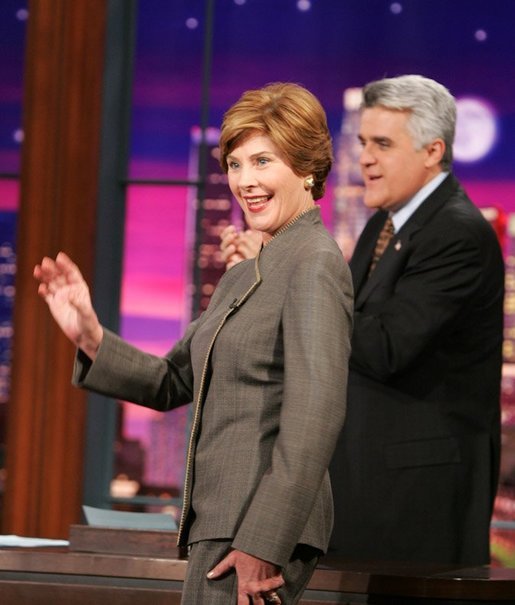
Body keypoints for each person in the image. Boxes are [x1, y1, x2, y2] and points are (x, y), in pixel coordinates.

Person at [34, 82, 353, 604]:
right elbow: (173, 380)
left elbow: (316, 412)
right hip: (222, 523)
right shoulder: (245, 272)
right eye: (235, 164)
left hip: (254, 531)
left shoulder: (313, 261)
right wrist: (88, 334)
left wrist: (263, 542)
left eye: (263, 161)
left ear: (306, 168)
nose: (245, 181)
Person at [220, 74, 505, 566]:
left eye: (383, 144)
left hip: (418, 501)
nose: (366, 157)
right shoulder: (384, 224)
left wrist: (287, 276)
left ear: (433, 151)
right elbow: (334, 322)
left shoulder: (455, 233)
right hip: (370, 488)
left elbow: (383, 346)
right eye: (363, 142)